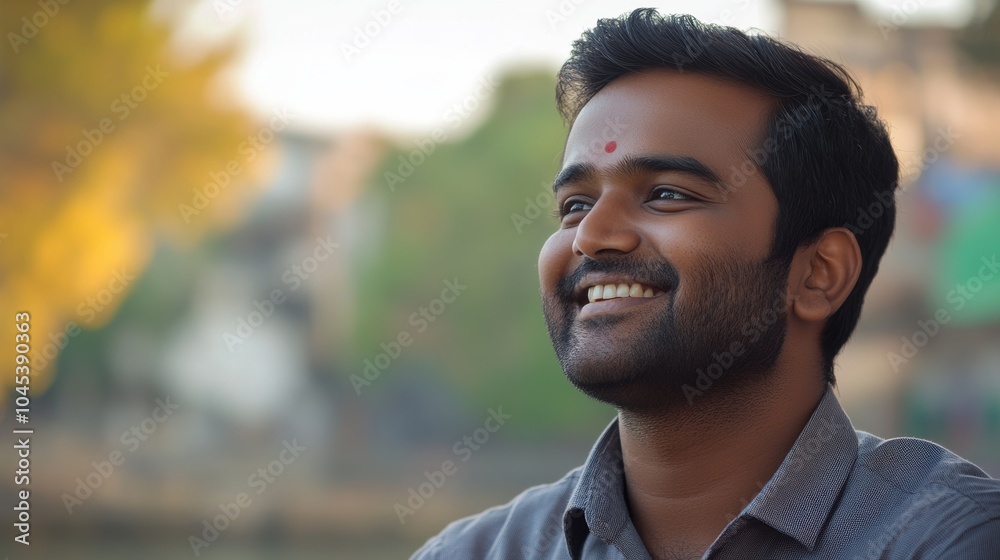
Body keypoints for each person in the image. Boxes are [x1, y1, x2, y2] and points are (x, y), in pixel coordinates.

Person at [411, 9, 1000, 559]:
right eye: (575, 204)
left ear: (819, 273)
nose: (591, 236)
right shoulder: (475, 551)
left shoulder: (949, 538)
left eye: (667, 194)